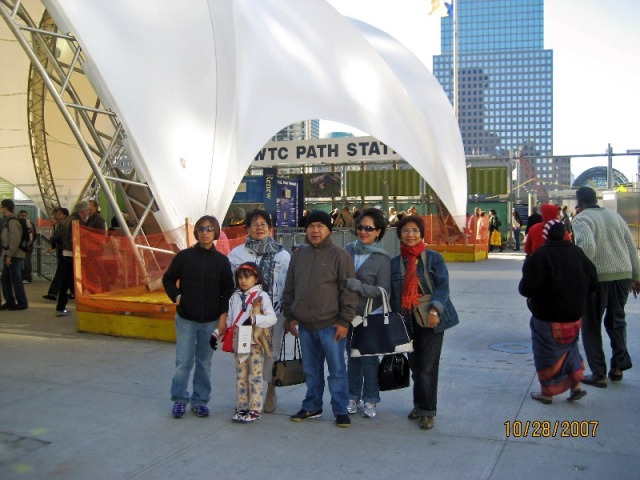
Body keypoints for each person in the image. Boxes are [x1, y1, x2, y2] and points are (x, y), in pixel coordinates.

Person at [282, 210, 358, 427]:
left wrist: (344, 321)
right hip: (305, 327)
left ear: (328, 230)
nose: (315, 230)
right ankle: (312, 406)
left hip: (331, 326)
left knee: (336, 371)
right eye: (311, 226)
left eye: (320, 226)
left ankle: (340, 410)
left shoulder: (340, 255)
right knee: (311, 370)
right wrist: (290, 316)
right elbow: (290, 288)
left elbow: (349, 291)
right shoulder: (299, 255)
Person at [390, 215, 459, 430]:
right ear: (399, 234)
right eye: (406, 231)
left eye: (415, 231)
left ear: (421, 234)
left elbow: (443, 286)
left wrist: (435, 310)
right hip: (406, 318)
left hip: (430, 317)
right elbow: (392, 294)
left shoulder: (433, 258)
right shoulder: (395, 263)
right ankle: (419, 404)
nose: (410, 235)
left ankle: (427, 411)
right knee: (415, 365)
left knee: (428, 366)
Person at [162, 215, 234, 418]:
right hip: (186, 319)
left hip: (210, 322)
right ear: (196, 232)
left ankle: (200, 401)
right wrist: (176, 296)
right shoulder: (184, 257)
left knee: (204, 363)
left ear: (216, 232)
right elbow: (168, 279)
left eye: (209, 228)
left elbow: (227, 292)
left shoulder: (222, 261)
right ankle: (179, 399)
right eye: (201, 229)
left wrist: (222, 319)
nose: (205, 232)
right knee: (183, 362)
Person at [519, 220, 598, 404]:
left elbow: (525, 289)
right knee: (570, 351)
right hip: (573, 316)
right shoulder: (578, 253)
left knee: (546, 354)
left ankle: (547, 393)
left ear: (546, 235)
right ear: (565, 234)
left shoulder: (540, 256)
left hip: (547, 318)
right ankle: (575, 386)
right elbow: (593, 281)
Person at [572, 186, 640, 387]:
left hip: (597, 279)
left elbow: (587, 248)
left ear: (579, 202)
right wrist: (636, 276)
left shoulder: (582, 219)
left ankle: (599, 374)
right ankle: (618, 368)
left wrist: (579, 274)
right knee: (617, 321)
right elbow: (631, 247)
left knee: (591, 325)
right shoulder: (615, 217)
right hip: (622, 276)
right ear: (596, 198)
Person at [227, 209, 290, 413]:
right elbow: (229, 285)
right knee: (244, 354)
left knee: (270, 353)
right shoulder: (237, 254)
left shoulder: (282, 254)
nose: (259, 227)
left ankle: (270, 390)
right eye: (255, 224)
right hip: (244, 317)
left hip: (273, 315)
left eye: (263, 223)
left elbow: (289, 285)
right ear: (247, 229)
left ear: (270, 228)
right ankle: (246, 398)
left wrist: (289, 315)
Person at [344, 208, 391, 419]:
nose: (363, 232)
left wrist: (357, 286)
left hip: (370, 316)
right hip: (348, 314)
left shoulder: (381, 259)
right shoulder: (348, 250)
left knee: (369, 360)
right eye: (361, 227)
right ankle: (352, 396)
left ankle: (371, 399)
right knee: (352, 358)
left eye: (369, 229)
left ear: (379, 232)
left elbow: (383, 292)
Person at [223, 262, 277, 423]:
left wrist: (255, 319)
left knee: (255, 375)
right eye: (240, 277)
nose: (243, 281)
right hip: (239, 340)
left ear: (256, 278)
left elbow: (271, 318)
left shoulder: (261, 296)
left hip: (254, 341)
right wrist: (228, 330)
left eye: (248, 277)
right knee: (241, 375)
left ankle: (255, 407)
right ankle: (242, 407)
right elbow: (230, 318)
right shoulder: (234, 297)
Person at [55, 201, 91, 316]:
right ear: (82, 211)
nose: (87, 213)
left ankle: (61, 306)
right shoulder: (77, 221)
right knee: (72, 281)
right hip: (73, 254)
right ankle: (62, 307)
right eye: (87, 210)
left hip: (66, 253)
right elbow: (79, 237)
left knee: (66, 281)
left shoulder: (68, 220)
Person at [0, 199, 29, 310]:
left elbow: (15, 239)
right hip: (10, 253)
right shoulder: (9, 220)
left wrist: (10, 255)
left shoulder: (12, 221)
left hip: (13, 255)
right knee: (5, 278)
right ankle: (10, 301)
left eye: (1, 206)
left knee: (15, 279)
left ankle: (22, 302)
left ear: (5, 208)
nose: (1, 208)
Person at [43, 208, 73, 301]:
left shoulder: (66, 224)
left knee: (61, 273)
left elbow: (61, 236)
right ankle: (74, 292)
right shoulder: (57, 225)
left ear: (65, 215)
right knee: (68, 273)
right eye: (56, 214)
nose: (57, 215)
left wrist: (53, 238)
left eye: (60, 213)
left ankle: (53, 293)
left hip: (66, 252)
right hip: (62, 251)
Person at [18, 210, 37, 284]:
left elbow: (33, 235)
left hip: (27, 247)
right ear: (19, 215)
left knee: (26, 262)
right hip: (25, 246)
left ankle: (27, 277)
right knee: (23, 262)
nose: (23, 217)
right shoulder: (28, 223)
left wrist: (29, 244)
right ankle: (24, 277)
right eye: (22, 215)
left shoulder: (29, 224)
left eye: (25, 215)